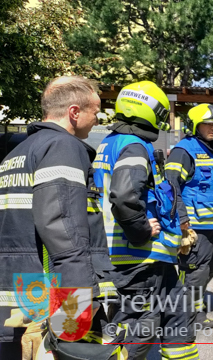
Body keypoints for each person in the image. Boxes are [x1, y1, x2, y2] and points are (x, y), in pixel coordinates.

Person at [0, 76, 123, 359]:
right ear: (74, 112)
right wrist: (77, 310)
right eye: (95, 111)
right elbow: (62, 226)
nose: (98, 119)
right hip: (52, 296)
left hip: (18, 295)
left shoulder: (17, 153)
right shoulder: (62, 147)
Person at [93, 81, 197, 360]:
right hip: (136, 258)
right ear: (146, 110)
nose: (163, 120)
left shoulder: (112, 142)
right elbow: (125, 196)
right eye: (161, 113)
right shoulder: (134, 146)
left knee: (178, 313)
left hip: (152, 258)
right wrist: (140, 231)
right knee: (139, 329)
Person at [165, 104, 213, 330]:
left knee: (210, 267)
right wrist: (182, 217)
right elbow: (171, 185)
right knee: (195, 271)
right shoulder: (184, 150)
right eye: (208, 124)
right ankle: (188, 315)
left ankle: (192, 305)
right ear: (195, 125)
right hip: (194, 226)